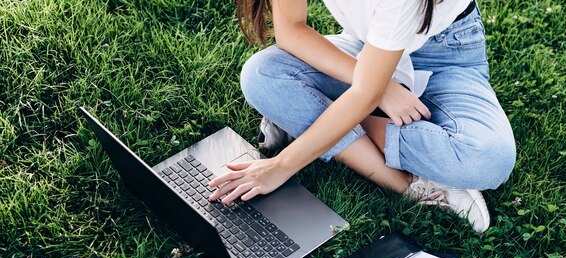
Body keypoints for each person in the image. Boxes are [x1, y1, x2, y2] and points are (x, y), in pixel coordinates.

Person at [209, 0, 516, 233]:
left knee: (486, 159)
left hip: (444, 55)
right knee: (261, 74)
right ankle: (408, 185)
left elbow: (364, 92)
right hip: (369, 46)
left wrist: (280, 166)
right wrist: (380, 89)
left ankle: (309, 115)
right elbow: (291, 32)